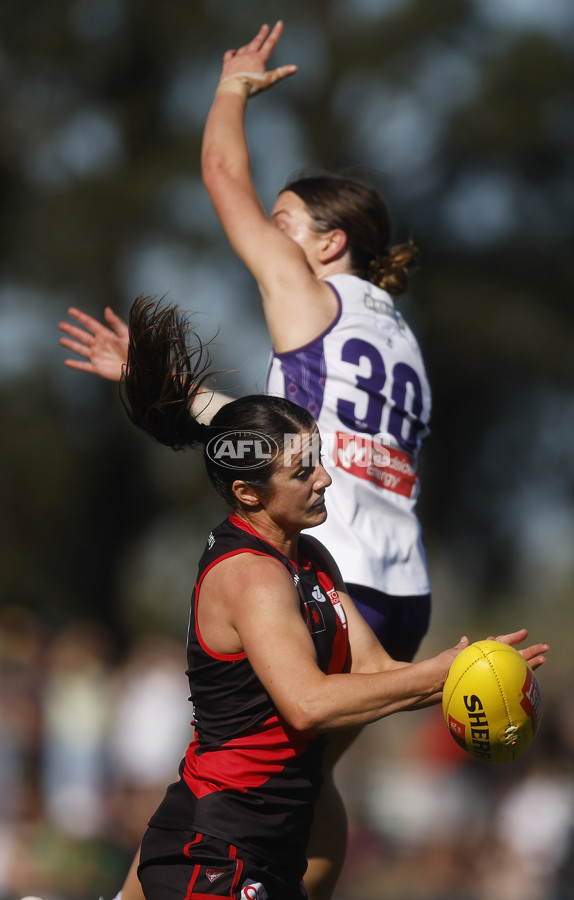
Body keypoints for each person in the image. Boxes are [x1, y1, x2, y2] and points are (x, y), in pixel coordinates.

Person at [57, 21, 433, 900]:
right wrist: (168, 388)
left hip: (325, 568)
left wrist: (231, 88)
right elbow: (279, 433)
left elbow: (224, 180)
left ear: (329, 243)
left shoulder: (310, 293)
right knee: (304, 776)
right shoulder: (402, 342)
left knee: (239, 763)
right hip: (402, 589)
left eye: (286, 224)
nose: (271, 235)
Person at [91, 294, 547, 900]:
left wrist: (466, 674)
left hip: (266, 853)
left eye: (319, 462)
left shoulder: (310, 558)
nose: (326, 478)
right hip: (216, 853)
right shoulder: (248, 575)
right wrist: (434, 675)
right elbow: (307, 704)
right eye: (303, 471)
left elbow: (376, 672)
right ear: (248, 494)